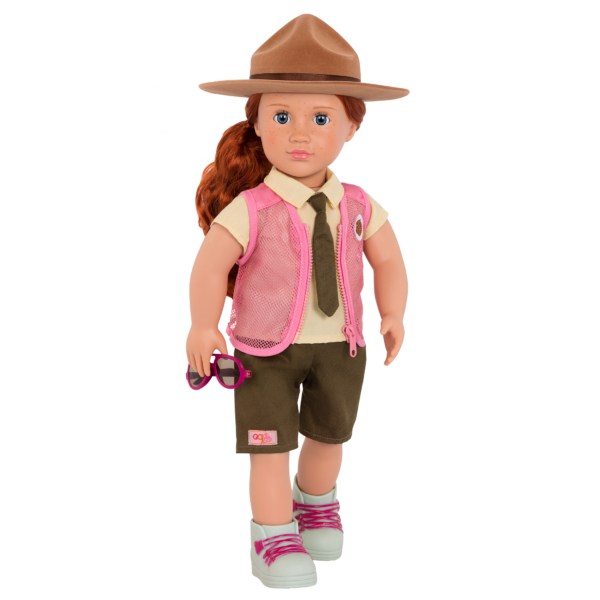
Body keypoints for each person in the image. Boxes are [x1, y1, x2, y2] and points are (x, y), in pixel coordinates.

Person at [186, 13, 409, 589]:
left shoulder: (358, 204)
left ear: (352, 125)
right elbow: (210, 263)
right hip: (262, 351)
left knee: (331, 435)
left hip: (341, 344)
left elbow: (387, 260)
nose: (300, 134)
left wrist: (392, 313)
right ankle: (271, 532)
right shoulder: (252, 208)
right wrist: (203, 325)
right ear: (258, 122)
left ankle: (316, 504)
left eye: (321, 118)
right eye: (282, 117)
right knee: (269, 446)